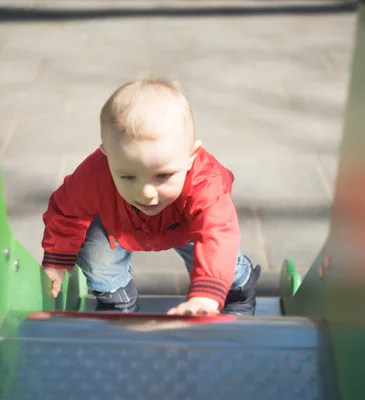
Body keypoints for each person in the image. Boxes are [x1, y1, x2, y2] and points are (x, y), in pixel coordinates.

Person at [40, 78, 261, 316]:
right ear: (107, 156)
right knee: (95, 254)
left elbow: (217, 233)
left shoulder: (205, 183)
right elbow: (67, 209)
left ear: (191, 156)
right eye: (128, 177)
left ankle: (235, 291)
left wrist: (205, 295)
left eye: (163, 175)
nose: (146, 193)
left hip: (185, 225)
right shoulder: (96, 172)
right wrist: (56, 260)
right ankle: (116, 298)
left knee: (218, 255)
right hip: (120, 223)